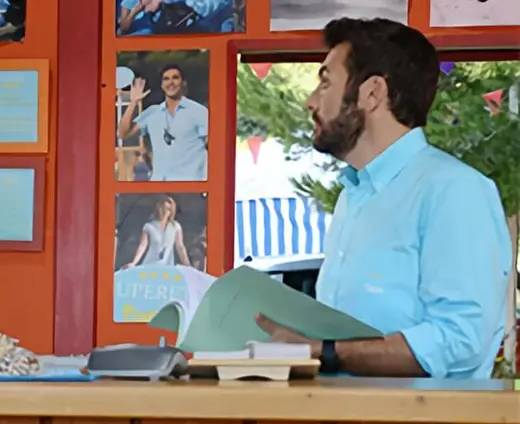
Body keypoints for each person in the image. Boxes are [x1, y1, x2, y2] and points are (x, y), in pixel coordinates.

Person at [255, 18, 511, 379]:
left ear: (373, 93)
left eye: (325, 82)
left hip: (421, 417)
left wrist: (326, 352)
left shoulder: (455, 190)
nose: (310, 102)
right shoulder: (352, 196)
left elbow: (461, 341)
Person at [118, 64, 209, 181]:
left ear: (183, 83)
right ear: (162, 85)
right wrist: (133, 102)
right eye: (166, 79)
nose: (171, 82)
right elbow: (123, 133)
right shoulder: (152, 112)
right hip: (160, 184)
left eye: (175, 78)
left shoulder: (198, 111)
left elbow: (214, 147)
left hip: (191, 184)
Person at [120, 196, 191, 269]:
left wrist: (187, 265)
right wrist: (134, 262)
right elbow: (142, 246)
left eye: (169, 209)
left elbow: (180, 247)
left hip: (167, 266)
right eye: (163, 208)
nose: (166, 212)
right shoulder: (149, 226)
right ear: (158, 208)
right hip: (150, 265)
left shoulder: (175, 226)